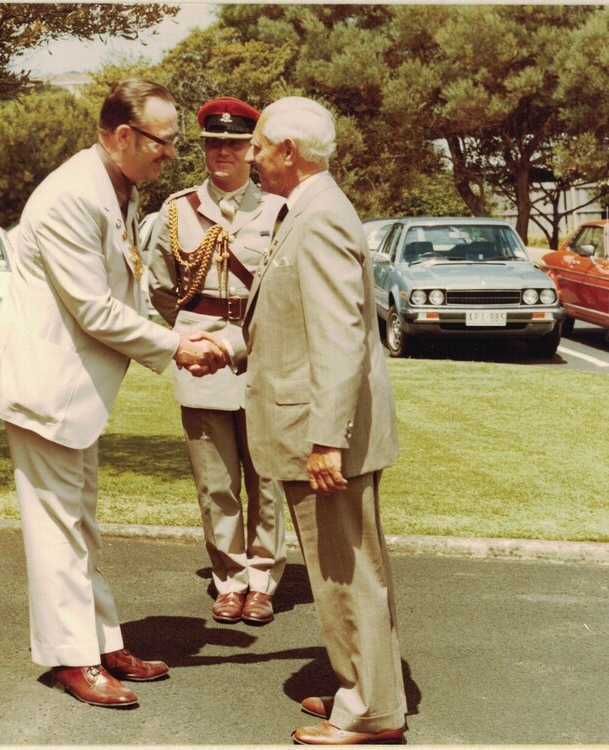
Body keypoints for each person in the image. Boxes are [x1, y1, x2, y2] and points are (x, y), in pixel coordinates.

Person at [0, 79, 226, 708]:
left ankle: (103, 642)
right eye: (163, 141)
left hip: (72, 392)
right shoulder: (70, 197)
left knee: (80, 522)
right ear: (120, 136)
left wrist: (181, 327)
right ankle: (71, 659)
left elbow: (127, 287)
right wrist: (175, 348)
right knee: (57, 529)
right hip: (44, 388)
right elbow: (93, 309)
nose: (171, 153)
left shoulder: (119, 187)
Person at [215, 96, 408, 744]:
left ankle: (370, 713)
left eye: (260, 145)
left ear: (288, 153)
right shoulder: (312, 209)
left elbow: (337, 337)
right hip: (321, 430)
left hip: (325, 438)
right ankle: (366, 688)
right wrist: (234, 345)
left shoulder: (319, 217)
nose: (251, 155)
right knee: (350, 572)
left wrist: (327, 442)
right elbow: (295, 320)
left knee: (345, 574)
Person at [145, 97, 287, 626]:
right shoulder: (178, 210)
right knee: (215, 480)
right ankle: (229, 579)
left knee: (266, 476)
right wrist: (187, 336)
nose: (222, 152)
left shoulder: (277, 208)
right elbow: (160, 287)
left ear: (253, 150)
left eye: (234, 143)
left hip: (262, 352)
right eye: (212, 143)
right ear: (203, 149)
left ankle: (263, 580)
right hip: (199, 351)